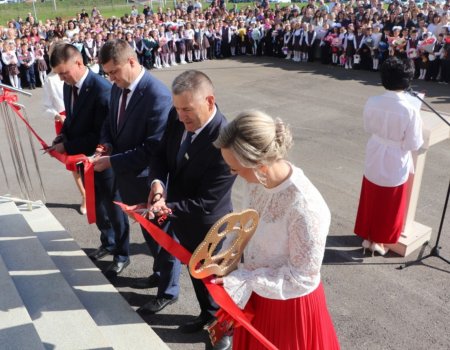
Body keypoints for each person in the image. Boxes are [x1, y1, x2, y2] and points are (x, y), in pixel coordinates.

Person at [212, 110, 340, 350]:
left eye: (235, 169)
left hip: (288, 308)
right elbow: (244, 224)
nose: (232, 175)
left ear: (259, 165)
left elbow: (301, 278)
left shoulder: (305, 207)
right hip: (257, 293)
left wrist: (243, 278)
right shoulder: (258, 182)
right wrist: (224, 259)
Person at [144, 70, 236, 350]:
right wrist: (158, 186)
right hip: (183, 218)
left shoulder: (225, 140)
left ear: (209, 101)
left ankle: (223, 330)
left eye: (187, 110)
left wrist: (164, 207)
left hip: (210, 226)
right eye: (177, 109)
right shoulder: (178, 117)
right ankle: (206, 316)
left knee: (214, 282)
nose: (181, 116)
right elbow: (160, 154)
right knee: (196, 274)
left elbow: (208, 201)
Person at [93, 39, 172, 288]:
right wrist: (104, 144)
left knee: (162, 239)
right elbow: (109, 122)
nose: (111, 78)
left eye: (114, 72)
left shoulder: (157, 95)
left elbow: (152, 149)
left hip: (147, 180)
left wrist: (111, 162)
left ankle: (168, 291)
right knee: (149, 236)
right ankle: (160, 275)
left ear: (131, 61)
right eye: (107, 74)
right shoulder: (118, 86)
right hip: (128, 177)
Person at [48, 43, 130, 277]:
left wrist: (68, 146)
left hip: (103, 158)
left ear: (79, 63)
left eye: (65, 72)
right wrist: (62, 135)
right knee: (97, 204)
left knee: (114, 209)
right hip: (85, 159)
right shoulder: (69, 85)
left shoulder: (101, 89)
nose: (62, 78)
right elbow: (72, 119)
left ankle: (122, 255)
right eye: (59, 74)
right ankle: (108, 241)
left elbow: (100, 133)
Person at [354, 57, 423, 256]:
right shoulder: (410, 109)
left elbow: (367, 126)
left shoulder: (373, 101)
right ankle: (381, 241)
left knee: (372, 194)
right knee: (390, 201)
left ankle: (368, 235)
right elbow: (414, 143)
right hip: (396, 154)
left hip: (375, 148)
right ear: (408, 80)